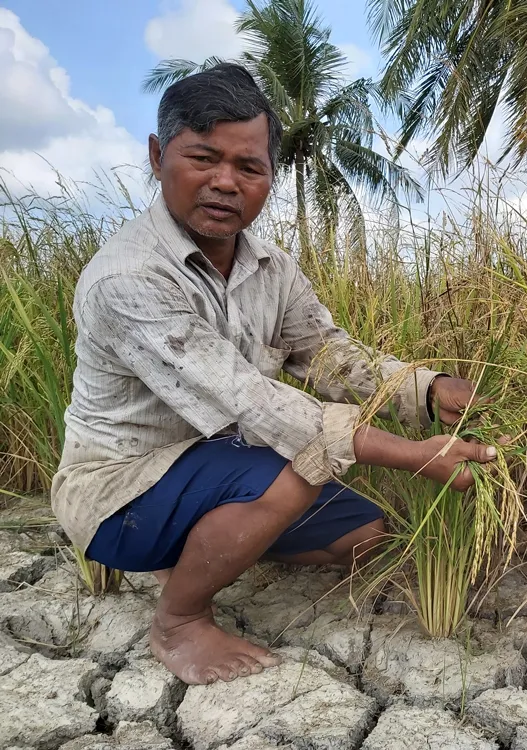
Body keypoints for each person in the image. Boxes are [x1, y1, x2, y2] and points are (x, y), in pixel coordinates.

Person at [51, 62, 496, 687]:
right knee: (301, 465)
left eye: (249, 167)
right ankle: (179, 620)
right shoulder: (128, 277)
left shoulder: (271, 267)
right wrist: (412, 455)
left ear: (270, 176)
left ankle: (205, 549)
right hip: (120, 496)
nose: (225, 182)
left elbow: (326, 353)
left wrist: (426, 390)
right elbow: (251, 401)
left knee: (366, 535)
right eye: (203, 158)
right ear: (157, 156)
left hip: (221, 470)